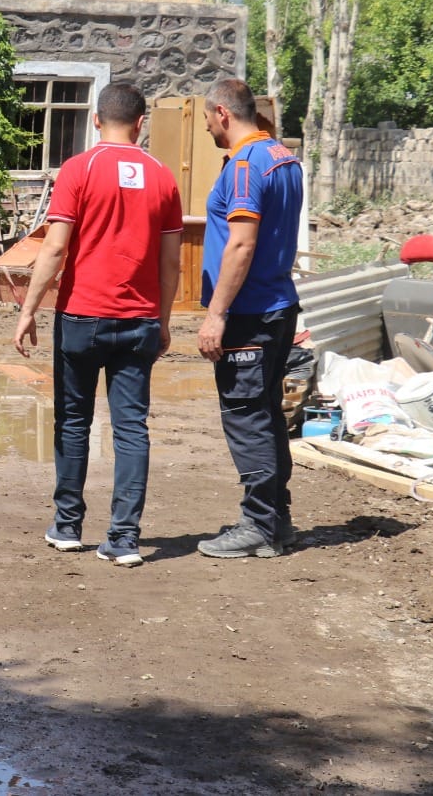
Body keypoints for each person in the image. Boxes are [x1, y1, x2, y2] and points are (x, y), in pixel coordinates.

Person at [14, 82, 183, 567]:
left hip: (82, 318)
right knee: (132, 428)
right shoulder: (162, 177)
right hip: (140, 321)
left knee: (73, 421)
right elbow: (171, 264)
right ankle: (125, 540)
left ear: (95, 120)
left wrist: (29, 310)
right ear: (141, 123)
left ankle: (67, 527)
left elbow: (54, 247)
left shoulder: (78, 169)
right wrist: (164, 320)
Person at [195, 78, 304, 559]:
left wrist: (216, 314)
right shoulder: (284, 158)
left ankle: (258, 524)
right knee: (266, 416)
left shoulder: (244, 165)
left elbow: (241, 243)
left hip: (249, 313)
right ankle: (276, 520)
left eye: (205, 118)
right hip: (279, 305)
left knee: (246, 417)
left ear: (222, 112)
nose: (206, 128)